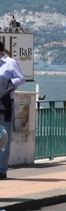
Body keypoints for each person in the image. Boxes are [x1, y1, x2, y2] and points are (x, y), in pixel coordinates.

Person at [0, 41, 25, 179]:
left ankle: (2, 170)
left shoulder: (10, 63)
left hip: (5, 104)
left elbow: (21, 78)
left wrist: (7, 83)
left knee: (3, 136)